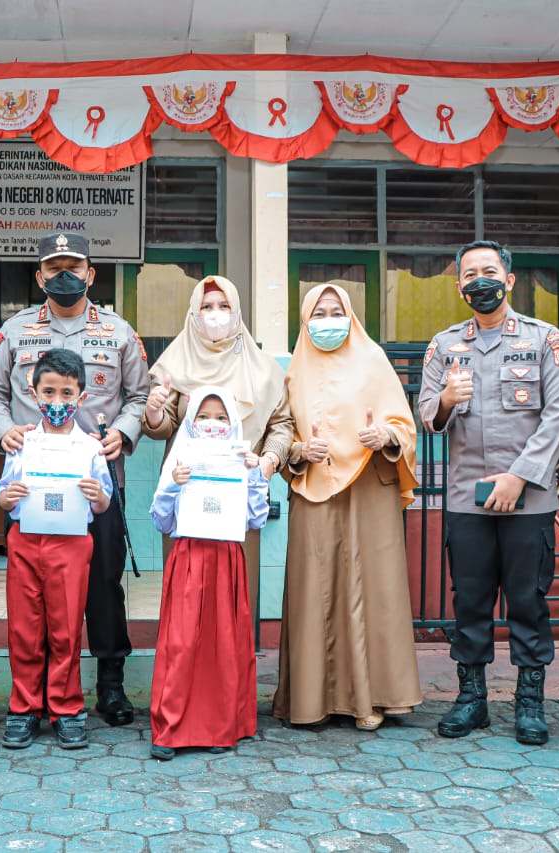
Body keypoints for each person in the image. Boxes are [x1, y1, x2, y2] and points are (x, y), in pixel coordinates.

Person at [0, 232, 149, 726]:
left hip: (94, 486)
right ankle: (36, 694)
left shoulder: (118, 333)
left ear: (91, 274)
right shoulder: (14, 332)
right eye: (54, 269)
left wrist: (123, 432)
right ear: (39, 277)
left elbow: (140, 395)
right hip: (33, 487)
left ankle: (111, 685)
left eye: (74, 266)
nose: (64, 276)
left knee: (101, 584)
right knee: (35, 592)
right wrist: (3, 429)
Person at [417, 240, 559, 745]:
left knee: (528, 600)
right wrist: (444, 400)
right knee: (471, 600)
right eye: (469, 274)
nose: (479, 281)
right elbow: (429, 416)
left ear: (509, 280)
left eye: (489, 271)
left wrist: (519, 476)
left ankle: (530, 702)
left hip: (528, 498)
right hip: (467, 499)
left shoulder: (543, 338)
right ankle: (472, 700)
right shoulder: (445, 346)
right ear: (460, 285)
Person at [273, 284, 423, 730]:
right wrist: (300, 451)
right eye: (319, 312)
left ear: (351, 315)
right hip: (314, 486)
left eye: (337, 311)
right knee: (312, 588)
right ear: (305, 319)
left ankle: (376, 697)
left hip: (368, 487)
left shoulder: (374, 359)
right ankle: (310, 701)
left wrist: (389, 438)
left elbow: (403, 424)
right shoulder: (292, 370)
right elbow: (280, 431)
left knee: (373, 588)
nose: (328, 319)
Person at [140, 275, 292, 615]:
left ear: (237, 313)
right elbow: (163, 427)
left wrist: (267, 464)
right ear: (193, 314)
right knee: (187, 594)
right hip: (185, 492)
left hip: (240, 492)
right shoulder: (176, 363)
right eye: (206, 307)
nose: (215, 314)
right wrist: (152, 412)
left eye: (224, 306)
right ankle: (184, 666)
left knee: (236, 592)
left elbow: (281, 425)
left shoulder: (264, 370)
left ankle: (233, 666)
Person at [0, 349, 114, 750]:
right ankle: (24, 708)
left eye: (67, 393)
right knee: (24, 629)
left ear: (81, 398)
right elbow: (3, 496)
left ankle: (66, 707)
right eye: (49, 392)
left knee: (64, 630)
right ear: (34, 393)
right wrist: (6, 498)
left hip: (71, 546)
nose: (58, 402)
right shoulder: (21, 443)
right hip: (26, 542)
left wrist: (98, 496)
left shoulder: (91, 448)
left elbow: (103, 503)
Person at [148, 385, 269, 761]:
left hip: (227, 560)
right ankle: (171, 726)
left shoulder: (242, 459)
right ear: (190, 420)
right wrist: (173, 484)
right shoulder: (180, 456)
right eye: (203, 416)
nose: (212, 424)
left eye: (221, 418)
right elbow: (160, 520)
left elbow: (256, 518)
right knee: (182, 642)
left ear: (233, 422)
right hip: (189, 557)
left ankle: (221, 725)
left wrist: (256, 475)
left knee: (223, 642)